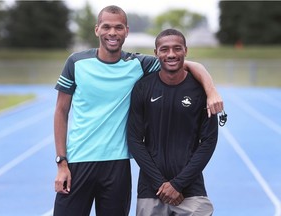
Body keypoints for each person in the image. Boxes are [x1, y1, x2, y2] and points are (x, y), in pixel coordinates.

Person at [53, 5, 222, 216]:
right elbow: (61, 111)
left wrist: (212, 91)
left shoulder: (138, 64)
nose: (112, 33)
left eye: (118, 27)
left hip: (117, 164)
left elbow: (186, 64)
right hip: (78, 162)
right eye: (106, 27)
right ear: (97, 29)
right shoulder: (76, 62)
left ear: (127, 31)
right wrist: (61, 162)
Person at [126, 28, 218, 216]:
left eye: (177, 48)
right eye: (165, 49)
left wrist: (178, 183)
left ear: (186, 51)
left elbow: (208, 142)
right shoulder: (142, 88)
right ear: (156, 53)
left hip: (191, 191)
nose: (171, 54)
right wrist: (161, 183)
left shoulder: (201, 91)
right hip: (151, 190)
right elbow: (134, 139)